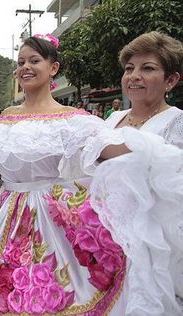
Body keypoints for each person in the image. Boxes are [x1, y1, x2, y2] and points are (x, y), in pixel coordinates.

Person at [0, 34, 132, 315]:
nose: (26, 67)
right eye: (21, 61)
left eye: (35, 61)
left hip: (53, 218)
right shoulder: (6, 116)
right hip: (7, 217)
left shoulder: (73, 118)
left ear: (53, 68)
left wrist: (149, 155)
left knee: (53, 295)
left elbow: (107, 149)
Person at [89, 31, 183, 314]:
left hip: (149, 247)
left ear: (171, 80)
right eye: (129, 68)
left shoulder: (176, 122)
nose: (134, 76)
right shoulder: (113, 119)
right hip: (101, 240)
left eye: (148, 68)